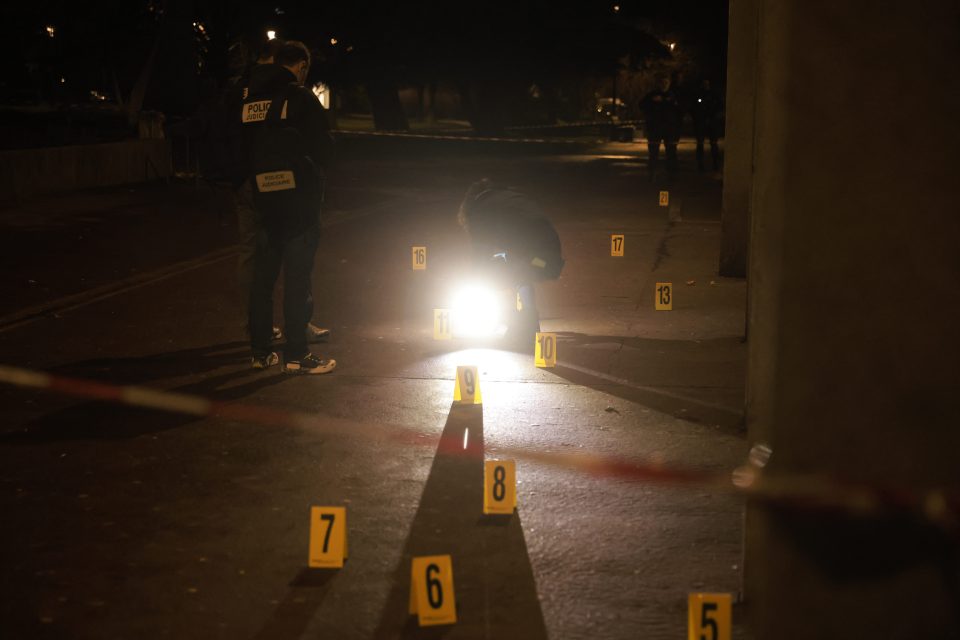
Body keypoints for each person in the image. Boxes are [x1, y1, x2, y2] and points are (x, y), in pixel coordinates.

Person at [227, 39, 330, 357]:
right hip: (296, 199)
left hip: (260, 194)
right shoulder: (299, 97)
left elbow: (237, 142)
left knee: (262, 276)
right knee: (297, 275)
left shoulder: (249, 100)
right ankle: (297, 353)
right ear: (301, 67)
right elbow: (323, 147)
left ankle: (260, 351)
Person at [457, 179, 564, 349]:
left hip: (533, 257)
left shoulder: (479, 211)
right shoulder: (507, 200)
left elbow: (480, 254)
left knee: (504, 269)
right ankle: (526, 325)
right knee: (517, 266)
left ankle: (521, 325)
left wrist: (475, 280)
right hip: (548, 261)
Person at [639, 74, 682, 181]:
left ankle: (672, 174)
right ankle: (652, 173)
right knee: (653, 152)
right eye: (662, 83)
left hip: (669, 128)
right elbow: (642, 105)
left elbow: (679, 111)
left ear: (669, 84)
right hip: (655, 128)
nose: (664, 85)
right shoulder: (652, 95)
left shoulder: (673, 96)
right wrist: (652, 103)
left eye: (666, 83)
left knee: (671, 152)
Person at [691, 78, 722, 172]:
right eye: (704, 83)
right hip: (701, 122)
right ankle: (700, 164)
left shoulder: (714, 94)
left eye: (707, 83)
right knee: (700, 143)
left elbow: (719, 106)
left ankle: (715, 164)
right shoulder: (698, 94)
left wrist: (713, 116)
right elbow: (694, 108)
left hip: (712, 122)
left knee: (713, 144)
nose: (706, 85)